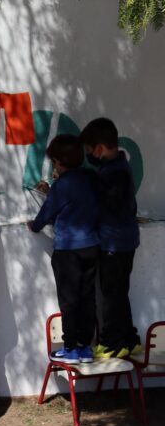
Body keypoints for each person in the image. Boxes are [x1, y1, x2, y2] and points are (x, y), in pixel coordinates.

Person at [28, 134, 100, 365]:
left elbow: (47, 214)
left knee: (69, 300)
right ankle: (85, 347)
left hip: (68, 250)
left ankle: (69, 348)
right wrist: (53, 190)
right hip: (91, 246)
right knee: (87, 298)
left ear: (59, 161)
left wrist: (34, 224)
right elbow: (75, 201)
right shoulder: (89, 179)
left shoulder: (63, 185)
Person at [80, 118, 141, 358]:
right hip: (124, 241)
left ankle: (112, 343)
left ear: (99, 149)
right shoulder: (117, 168)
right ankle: (129, 339)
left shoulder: (114, 173)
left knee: (110, 295)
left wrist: (91, 186)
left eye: (88, 151)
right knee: (119, 293)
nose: (89, 156)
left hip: (115, 243)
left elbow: (110, 204)